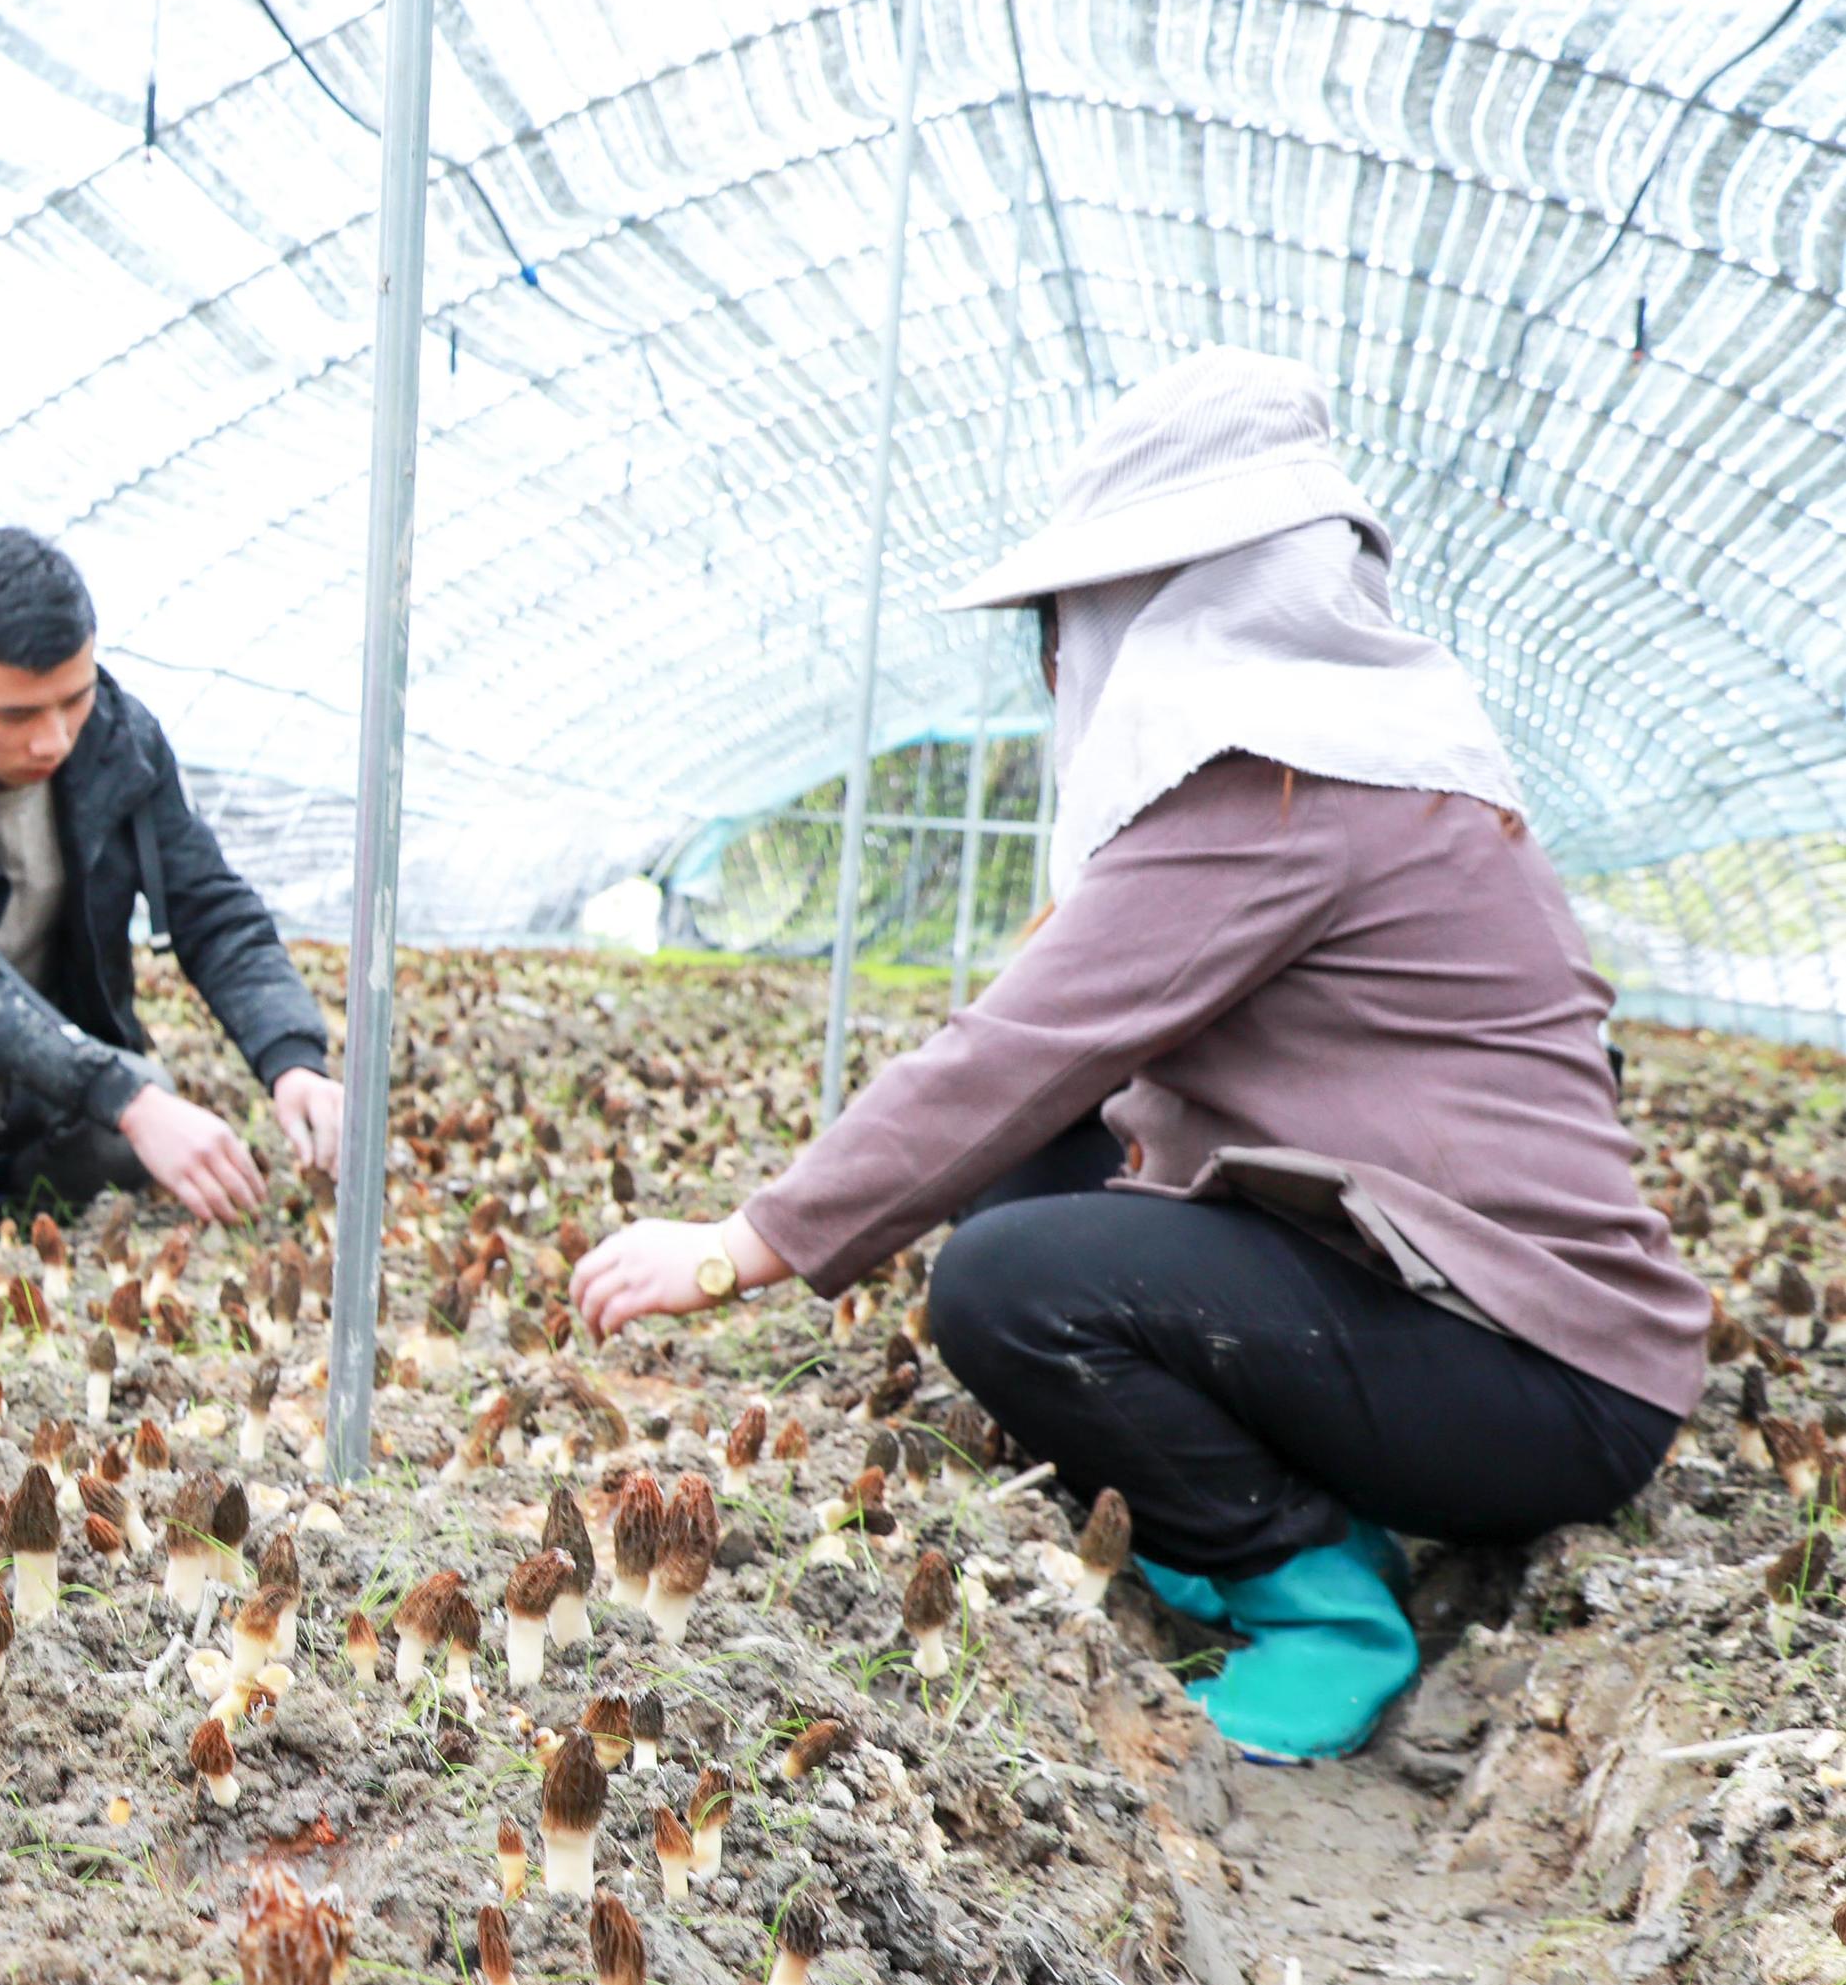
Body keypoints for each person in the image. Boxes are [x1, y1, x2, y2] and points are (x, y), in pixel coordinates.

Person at [572, 348, 1703, 1762]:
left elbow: (1015, 1044)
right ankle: (1297, 1503)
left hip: (1540, 1372)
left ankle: (1313, 1596)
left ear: (1162, 602)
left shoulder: (1276, 782)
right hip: (1472, 1322)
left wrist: (746, 1241)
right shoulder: (1354, 749)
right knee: (1034, 1165)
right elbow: (1050, 1083)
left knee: (1011, 1280)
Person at [0, 528, 343, 1240]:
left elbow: (211, 909)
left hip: (48, 1058)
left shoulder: (120, 741)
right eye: (16, 714)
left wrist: (292, 1061)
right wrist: (122, 1093)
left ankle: (14, 1229)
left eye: (72, 699)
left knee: (142, 1106)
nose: (53, 739)